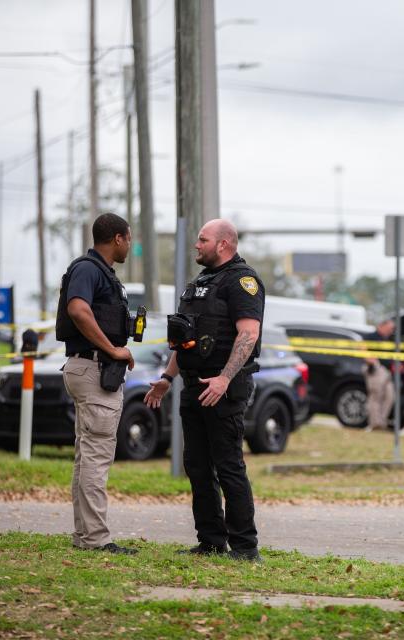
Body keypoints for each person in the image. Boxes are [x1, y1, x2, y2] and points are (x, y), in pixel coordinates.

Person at [144, 219, 265, 562]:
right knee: (197, 465)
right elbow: (186, 341)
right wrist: (167, 379)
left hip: (224, 386)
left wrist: (225, 378)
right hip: (194, 384)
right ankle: (211, 540)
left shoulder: (242, 282)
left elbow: (248, 335)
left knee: (228, 465)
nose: (197, 245)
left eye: (203, 239)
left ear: (224, 244)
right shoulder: (201, 283)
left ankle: (245, 547)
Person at [55, 213, 137, 555]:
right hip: (93, 368)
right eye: (129, 238)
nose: (130, 245)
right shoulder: (88, 268)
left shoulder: (99, 272)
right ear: (117, 238)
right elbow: (78, 310)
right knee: (96, 458)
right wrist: (112, 348)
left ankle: (83, 535)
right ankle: (96, 539)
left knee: (86, 455)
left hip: (87, 368)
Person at [363, 318, 395, 431]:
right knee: (376, 396)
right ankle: (374, 424)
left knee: (390, 396)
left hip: (387, 372)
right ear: (382, 325)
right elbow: (362, 349)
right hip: (376, 370)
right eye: (390, 328)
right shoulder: (371, 336)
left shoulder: (388, 339)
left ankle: (382, 422)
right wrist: (370, 360)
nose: (392, 330)